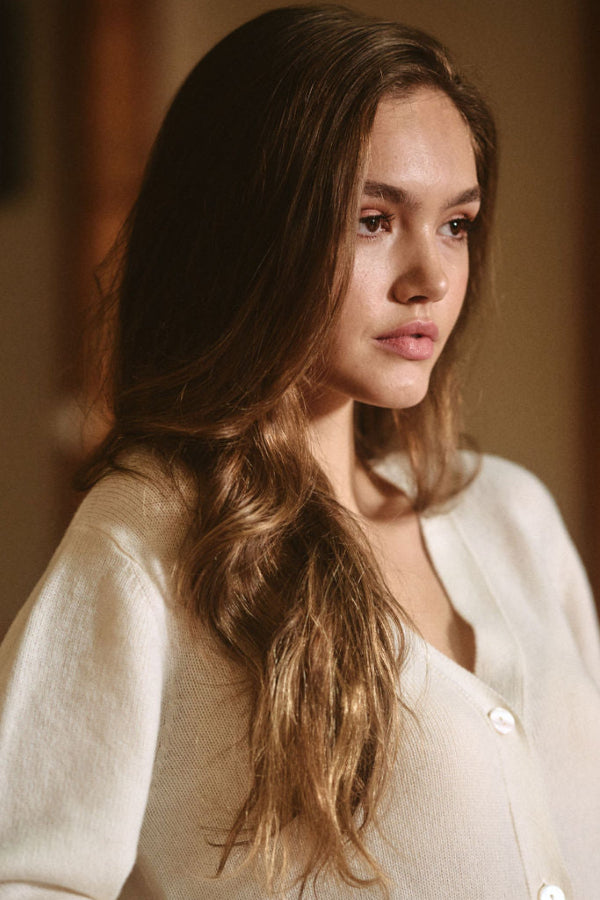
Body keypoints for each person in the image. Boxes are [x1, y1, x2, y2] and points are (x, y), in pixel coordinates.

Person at [0, 5, 598, 899]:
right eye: (371, 219)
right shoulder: (149, 543)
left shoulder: (512, 518)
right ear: (252, 233)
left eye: (455, 224)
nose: (431, 279)